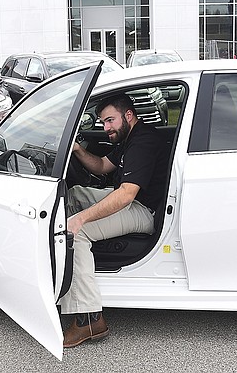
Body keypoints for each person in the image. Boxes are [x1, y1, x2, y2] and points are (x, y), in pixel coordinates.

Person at [60, 93, 169, 347]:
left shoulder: (143, 142)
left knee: (78, 231)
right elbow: (100, 167)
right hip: (129, 199)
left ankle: (89, 319)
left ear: (128, 115)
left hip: (143, 210)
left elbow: (126, 195)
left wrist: (79, 220)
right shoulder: (127, 137)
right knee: (74, 194)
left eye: (110, 120)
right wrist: (76, 149)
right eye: (102, 122)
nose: (105, 127)